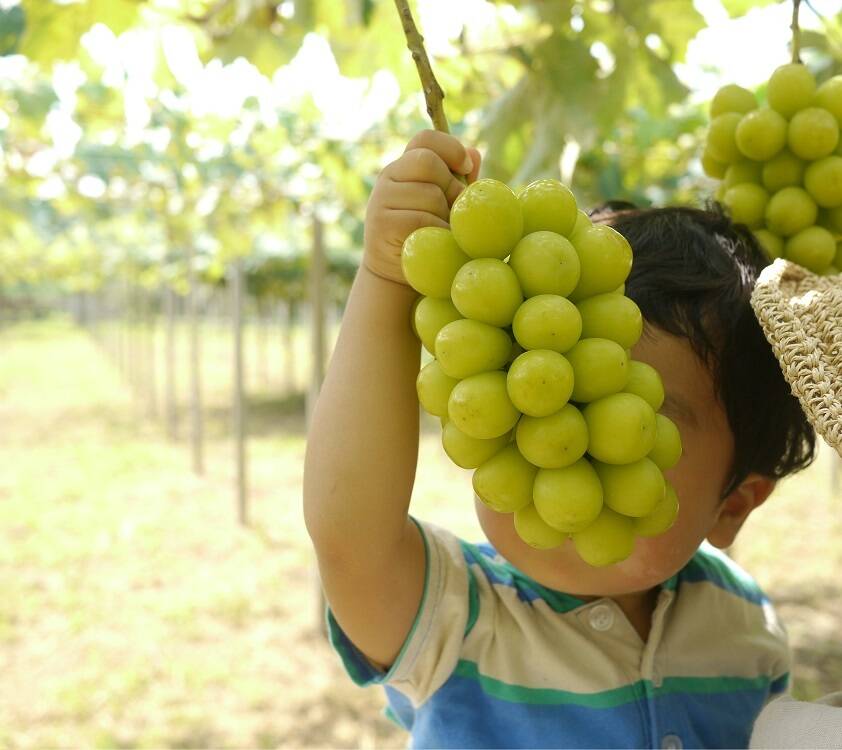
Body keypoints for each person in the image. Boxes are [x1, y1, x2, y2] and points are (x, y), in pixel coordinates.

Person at [302, 130, 816, 748]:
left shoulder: (747, 631)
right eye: (536, 405)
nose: (558, 443)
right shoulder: (454, 617)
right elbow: (348, 534)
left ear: (733, 504)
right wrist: (386, 278)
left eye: (634, 422)